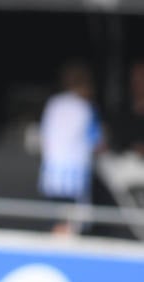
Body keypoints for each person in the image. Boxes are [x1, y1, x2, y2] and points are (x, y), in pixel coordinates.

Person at [38, 61, 103, 235]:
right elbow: (98, 144)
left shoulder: (54, 104)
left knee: (59, 222)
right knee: (70, 227)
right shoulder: (86, 108)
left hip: (52, 177)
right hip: (74, 180)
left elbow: (43, 137)